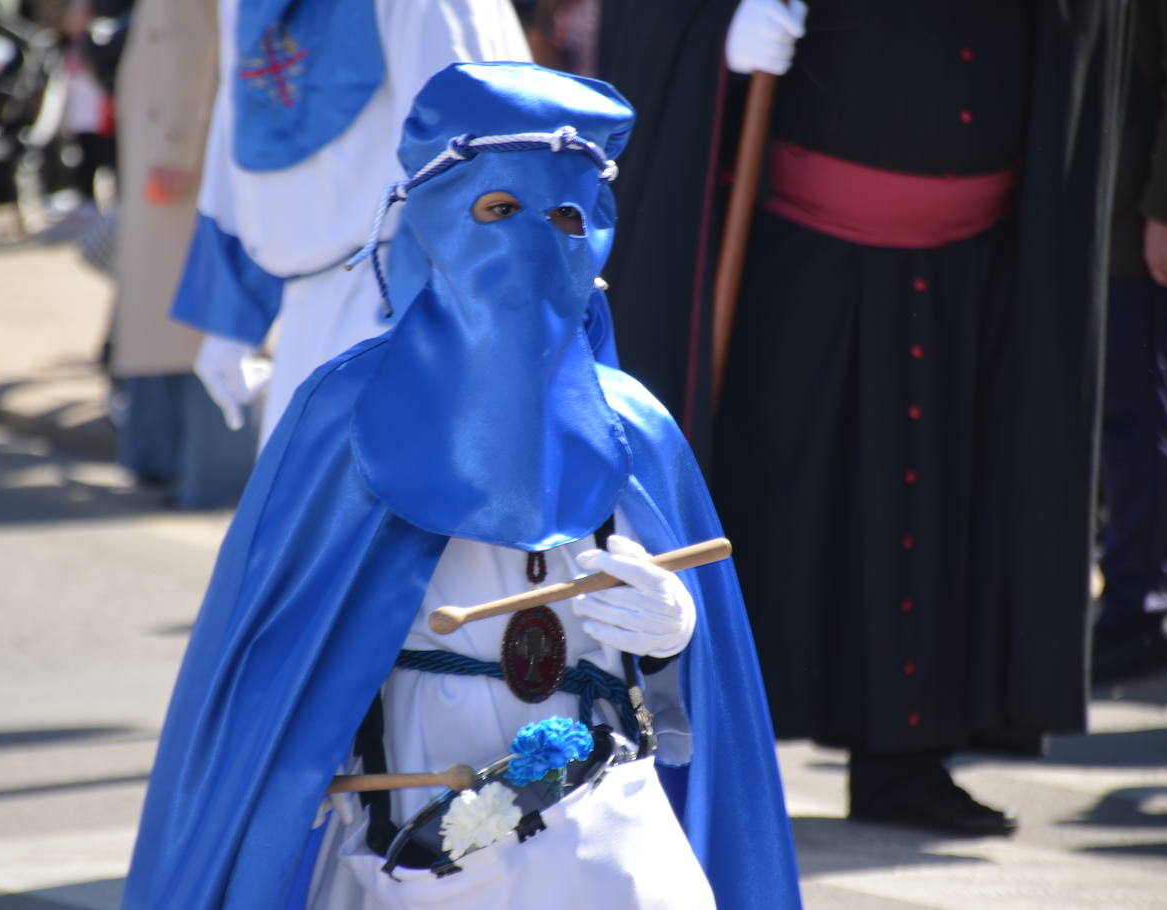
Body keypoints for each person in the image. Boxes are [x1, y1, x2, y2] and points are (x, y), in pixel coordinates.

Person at [123, 62, 801, 909]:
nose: (528, 244)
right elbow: (281, 659)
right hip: (410, 804)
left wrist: (673, 635)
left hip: (601, 817)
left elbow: (690, 692)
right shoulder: (346, 411)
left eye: (562, 217)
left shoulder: (634, 425)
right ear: (439, 217)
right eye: (497, 211)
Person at [599, 0, 1127, 835]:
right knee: (781, 518)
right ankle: (710, 766)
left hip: (984, 264)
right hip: (807, 260)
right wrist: (716, 30)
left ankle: (905, 762)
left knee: (946, 517)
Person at [173, 0, 530, 447]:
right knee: (301, 500)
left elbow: (472, 141)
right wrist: (231, 313)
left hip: (403, 297)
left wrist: (443, 310)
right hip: (306, 309)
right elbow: (239, 123)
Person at [1094, 0, 1167, 682]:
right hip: (1122, 200)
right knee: (1157, 393)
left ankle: (1140, 606)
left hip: (1134, 207)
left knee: (1131, 410)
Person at [105, 0, 256, 509]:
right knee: (167, 319)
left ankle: (205, 473)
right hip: (168, 153)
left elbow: (195, 47)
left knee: (188, 322)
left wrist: (176, 148)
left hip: (177, 163)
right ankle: (162, 461)